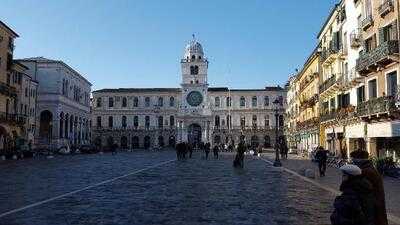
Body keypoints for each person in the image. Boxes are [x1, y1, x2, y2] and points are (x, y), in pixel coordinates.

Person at [351, 150, 388, 225]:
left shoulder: (365, 171)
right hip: (375, 203)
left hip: (372, 205)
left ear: (359, 160)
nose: (352, 162)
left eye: (353, 159)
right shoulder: (369, 168)